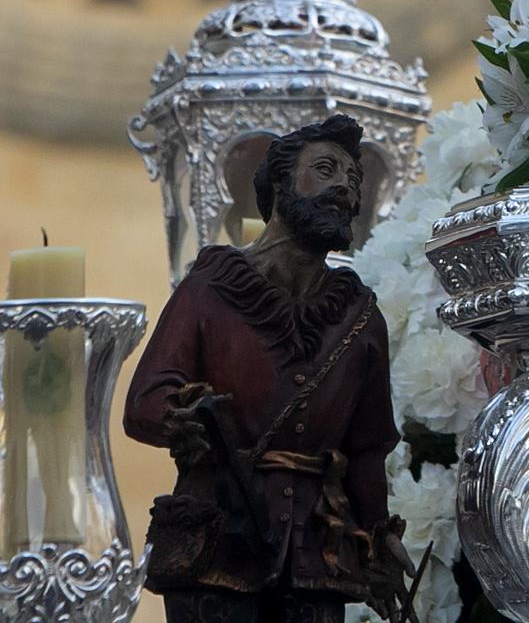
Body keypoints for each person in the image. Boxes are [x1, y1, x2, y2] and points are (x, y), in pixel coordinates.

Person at [127, 115, 412, 622]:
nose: (345, 186)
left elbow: (367, 449)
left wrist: (376, 538)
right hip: (218, 552)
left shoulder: (360, 319)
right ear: (280, 184)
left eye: (353, 179)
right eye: (325, 169)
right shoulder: (208, 290)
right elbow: (144, 403)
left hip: (315, 560)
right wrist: (184, 417)